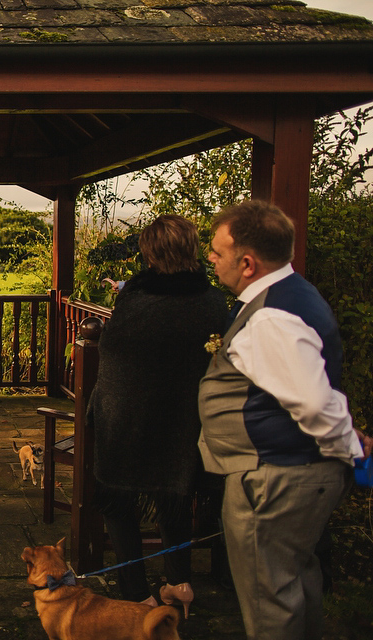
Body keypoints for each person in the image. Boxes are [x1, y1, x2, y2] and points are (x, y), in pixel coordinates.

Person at [198, 199, 373, 640]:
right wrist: (348, 437)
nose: (211, 259)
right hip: (288, 472)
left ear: (249, 262)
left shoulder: (271, 317)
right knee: (296, 585)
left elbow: (313, 403)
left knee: (271, 603)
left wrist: (349, 447)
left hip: (275, 479)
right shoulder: (290, 296)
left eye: (217, 251)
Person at [88, 215, 228, 614]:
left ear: (148, 252)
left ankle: (136, 592)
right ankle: (179, 583)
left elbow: (113, 353)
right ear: (192, 249)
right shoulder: (212, 301)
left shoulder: (135, 298)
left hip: (129, 418)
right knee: (175, 495)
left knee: (117, 499)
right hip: (186, 418)